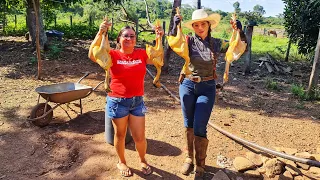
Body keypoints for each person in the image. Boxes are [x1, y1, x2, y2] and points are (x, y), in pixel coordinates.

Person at [169, 9, 246, 179]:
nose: (199, 27)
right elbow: (173, 42)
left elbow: (238, 48)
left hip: (207, 87)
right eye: (196, 25)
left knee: (199, 125)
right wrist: (174, 26)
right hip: (187, 85)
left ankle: (200, 164)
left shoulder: (217, 44)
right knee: (188, 123)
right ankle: (189, 158)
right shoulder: (187, 41)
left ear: (208, 25)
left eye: (202, 24)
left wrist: (240, 31)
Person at [88, 19, 163, 177]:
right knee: (120, 135)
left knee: (139, 137)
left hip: (137, 101)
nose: (129, 39)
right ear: (119, 39)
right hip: (117, 101)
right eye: (126, 36)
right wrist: (100, 32)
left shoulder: (142, 53)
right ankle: (121, 161)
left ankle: (143, 160)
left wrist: (159, 38)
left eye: (132, 36)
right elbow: (92, 54)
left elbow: (158, 56)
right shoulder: (112, 54)